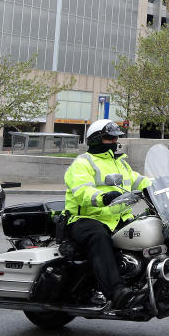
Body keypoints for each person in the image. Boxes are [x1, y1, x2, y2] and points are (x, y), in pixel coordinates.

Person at [63, 119, 150, 309]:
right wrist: (103, 197)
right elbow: (82, 191)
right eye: (109, 138)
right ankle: (117, 292)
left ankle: (145, 281)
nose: (115, 141)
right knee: (99, 237)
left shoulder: (120, 164)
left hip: (117, 219)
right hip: (85, 219)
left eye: (116, 137)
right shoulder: (82, 163)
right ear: (96, 140)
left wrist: (165, 184)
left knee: (149, 228)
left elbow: (139, 181)